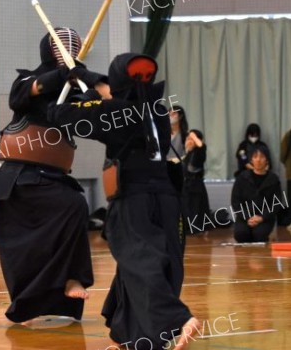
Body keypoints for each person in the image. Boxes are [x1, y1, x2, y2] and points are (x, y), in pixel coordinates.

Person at [48, 53, 199, 350]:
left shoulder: (114, 112)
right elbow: (114, 96)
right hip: (167, 199)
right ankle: (132, 337)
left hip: (134, 199)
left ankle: (177, 319)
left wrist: (82, 87)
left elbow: (59, 115)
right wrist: (87, 79)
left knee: (139, 261)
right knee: (152, 264)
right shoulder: (156, 109)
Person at [0, 27, 101, 324]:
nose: (68, 49)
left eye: (72, 47)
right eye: (62, 46)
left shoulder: (73, 91)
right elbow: (25, 94)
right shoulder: (27, 79)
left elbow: (92, 115)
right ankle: (28, 302)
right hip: (18, 176)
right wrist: (61, 74)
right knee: (26, 250)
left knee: (75, 206)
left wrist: (86, 88)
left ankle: (72, 279)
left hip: (53, 176)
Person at [231, 144, 282, 243]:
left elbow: (276, 203)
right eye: (255, 157)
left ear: (267, 160)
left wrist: (262, 217)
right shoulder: (242, 178)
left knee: (259, 235)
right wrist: (247, 217)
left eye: (262, 157)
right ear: (251, 160)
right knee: (241, 235)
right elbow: (235, 202)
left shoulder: (273, 179)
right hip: (245, 216)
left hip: (265, 217)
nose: (258, 160)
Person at [182, 129, 211, 234]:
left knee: (196, 209)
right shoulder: (185, 153)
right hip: (185, 186)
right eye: (188, 138)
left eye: (192, 139)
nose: (189, 141)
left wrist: (194, 137)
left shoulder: (199, 152)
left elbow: (202, 146)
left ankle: (196, 228)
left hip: (195, 186)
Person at [166, 105, 188, 193]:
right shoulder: (163, 135)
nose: (170, 115)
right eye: (169, 113)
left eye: (174, 113)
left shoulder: (186, 135)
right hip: (165, 170)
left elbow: (188, 155)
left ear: (181, 116)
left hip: (179, 171)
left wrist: (176, 160)